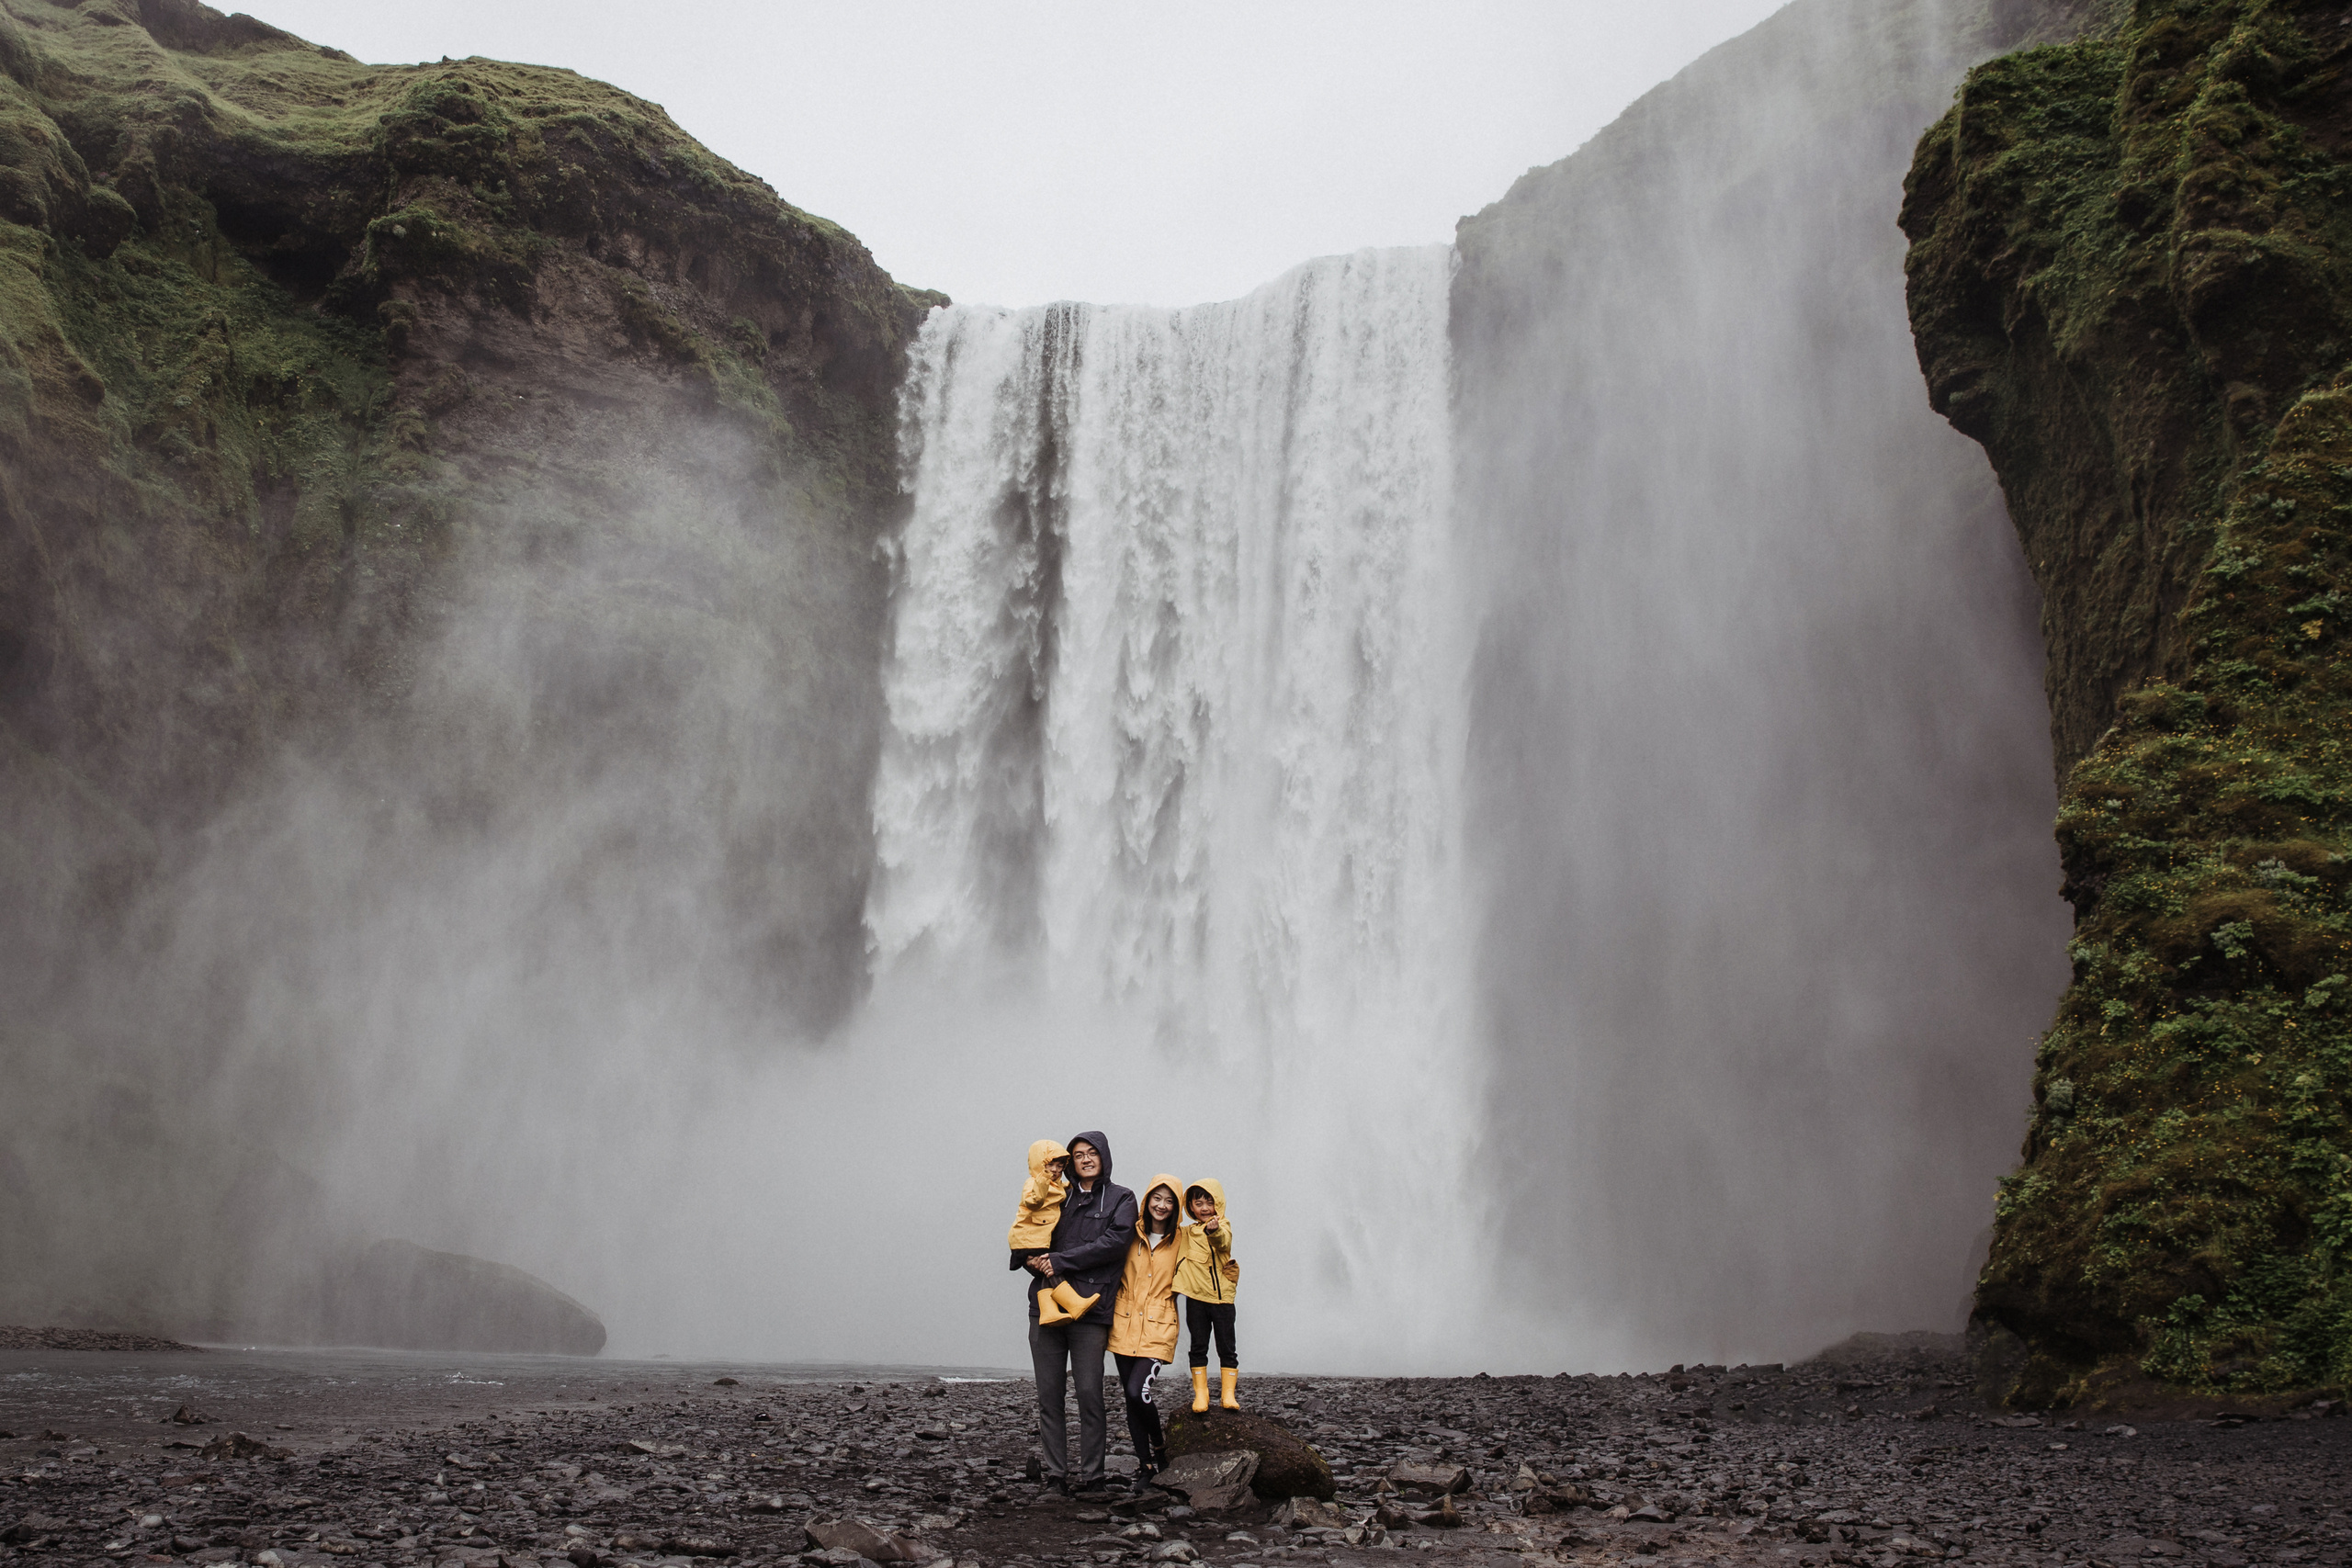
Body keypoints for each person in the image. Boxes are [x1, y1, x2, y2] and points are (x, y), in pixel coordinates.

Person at [1023, 1131, 1135, 1495]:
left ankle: (1093, 1477)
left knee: (1090, 1393)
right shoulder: (1058, 1196)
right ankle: (1056, 1475)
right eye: (1077, 1155)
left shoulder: (1122, 1198)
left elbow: (1114, 1244)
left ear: (1104, 1156)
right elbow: (1030, 1236)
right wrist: (1032, 1260)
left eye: (1092, 1153)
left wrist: (1058, 1260)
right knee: (1049, 1395)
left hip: (1092, 1310)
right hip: (1045, 1305)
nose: (1085, 1159)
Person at [1106, 1174, 1183, 1489]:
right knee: (1130, 1397)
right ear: (1147, 1200)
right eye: (1156, 1198)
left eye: (1169, 1201)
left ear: (1176, 1206)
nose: (1161, 1206)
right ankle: (1146, 1466)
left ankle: (1160, 1448)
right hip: (1123, 1325)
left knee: (1139, 1391)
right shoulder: (1130, 1233)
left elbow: (1213, 1251)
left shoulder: (1183, 1240)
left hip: (1158, 1327)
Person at [1009, 1139, 1100, 1325]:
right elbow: (1033, 1201)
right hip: (1028, 1240)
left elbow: (1059, 1191)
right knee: (1051, 1268)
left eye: (1060, 1166)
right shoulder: (1033, 1183)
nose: (1056, 1170)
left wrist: (1070, 1185)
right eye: (1050, 1165)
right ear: (1040, 1165)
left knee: (1045, 1271)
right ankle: (1073, 1303)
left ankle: (1049, 1311)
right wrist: (1042, 1180)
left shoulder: (1054, 1184)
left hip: (1034, 1238)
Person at [1173, 1178, 1239, 1413]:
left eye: (1209, 1203)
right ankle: (1201, 1395)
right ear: (1190, 1206)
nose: (1203, 1208)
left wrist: (1214, 1230)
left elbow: (1224, 1242)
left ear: (1217, 1204)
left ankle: (1228, 1394)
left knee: (1227, 1347)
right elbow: (1163, 1232)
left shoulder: (1223, 1225)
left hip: (1222, 1299)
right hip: (1196, 1298)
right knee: (1198, 1346)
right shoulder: (1187, 1233)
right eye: (1198, 1203)